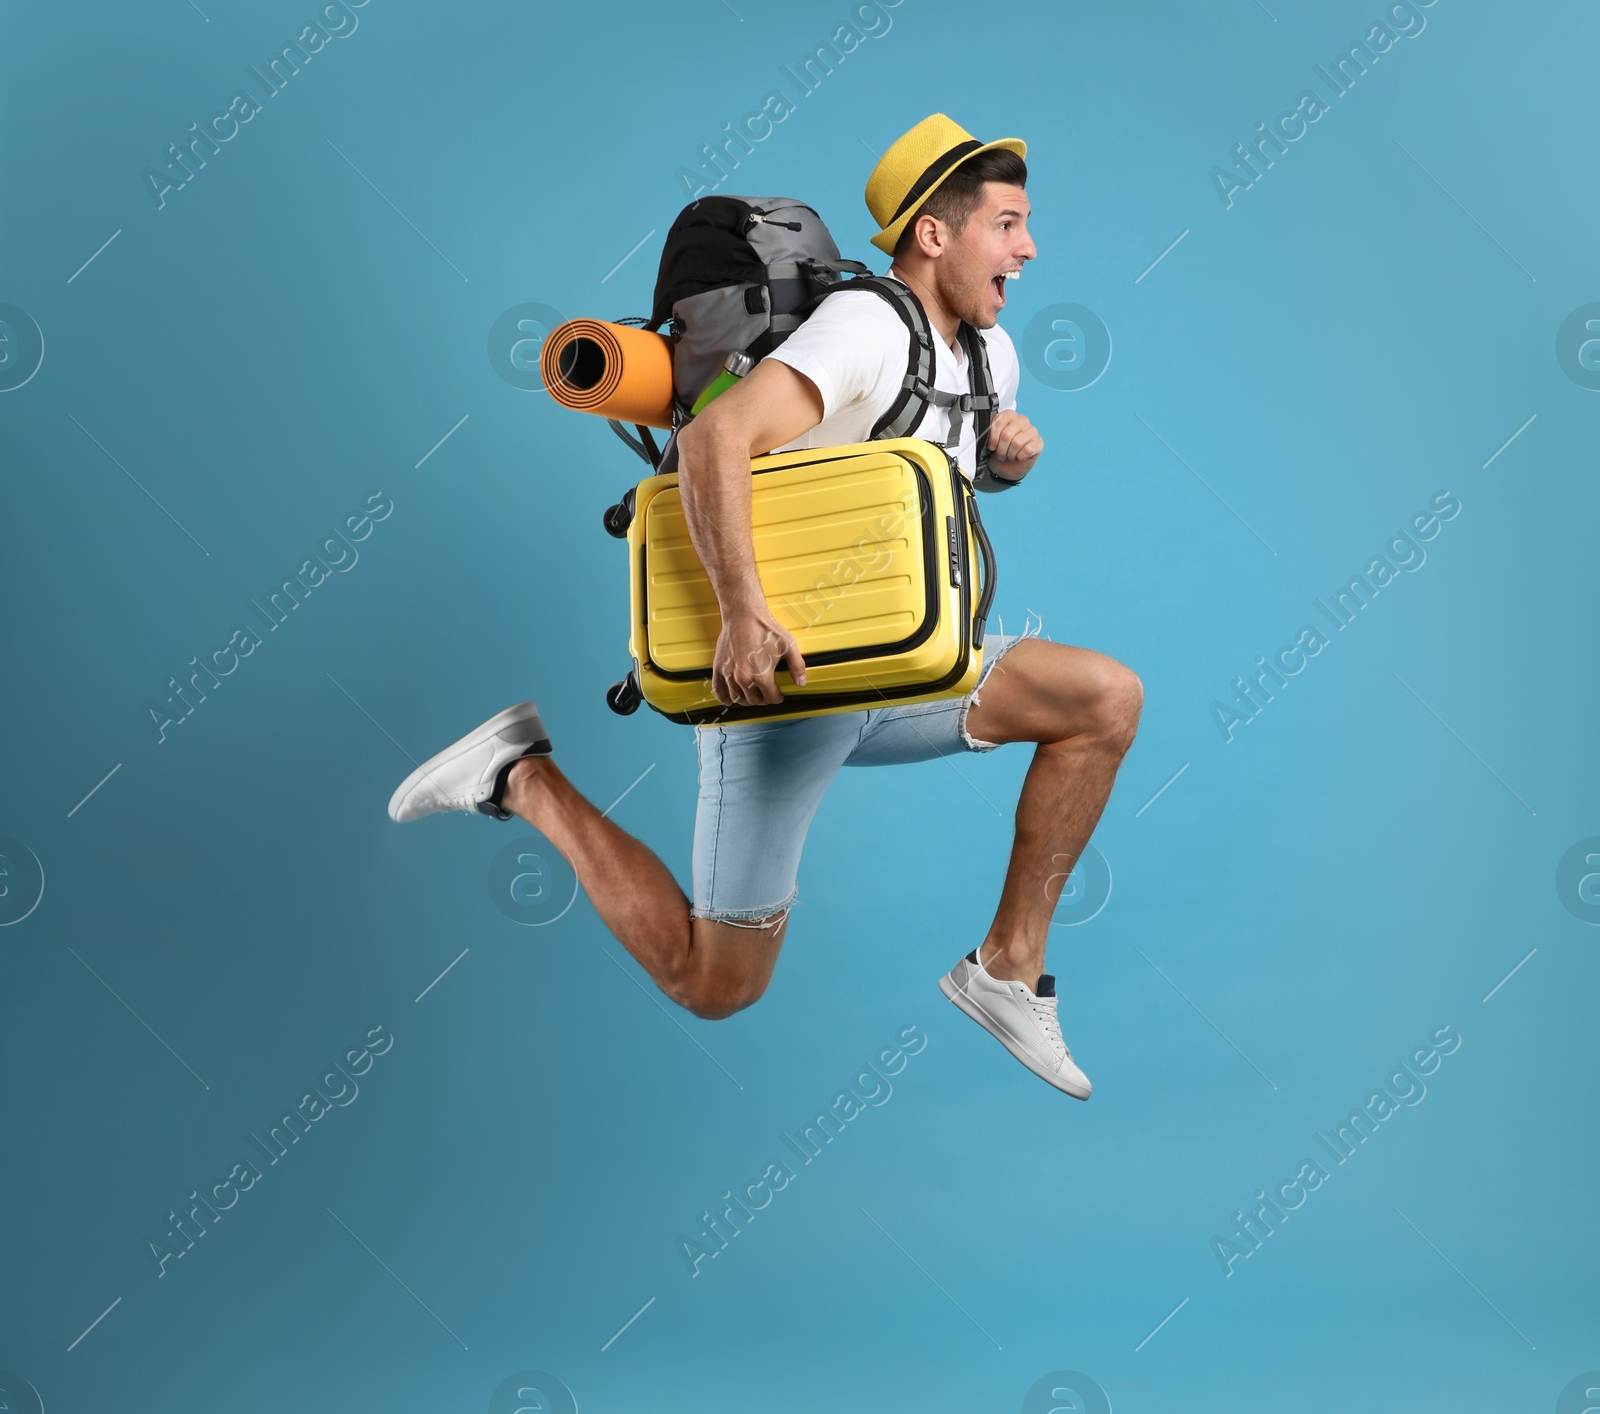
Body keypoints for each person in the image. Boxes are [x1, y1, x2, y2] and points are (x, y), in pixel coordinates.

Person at [387, 114, 1142, 1098]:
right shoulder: (865, 326)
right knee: (714, 982)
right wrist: (742, 614)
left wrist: (997, 470)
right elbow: (711, 442)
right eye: (1007, 224)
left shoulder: (989, 360)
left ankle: (1004, 968)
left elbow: (906, 481)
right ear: (933, 235)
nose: (1028, 247)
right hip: (783, 686)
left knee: (1102, 699)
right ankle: (522, 776)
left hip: (905, 662)